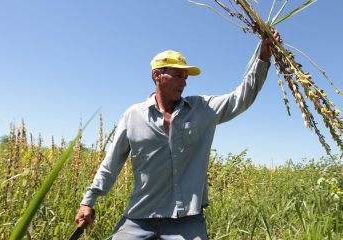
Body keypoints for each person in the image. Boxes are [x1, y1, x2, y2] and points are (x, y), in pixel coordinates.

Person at [75, 30, 282, 239]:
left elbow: (242, 97)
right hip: (140, 217)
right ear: (157, 75)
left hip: (187, 221)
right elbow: (111, 164)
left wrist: (263, 57)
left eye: (185, 77)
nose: (184, 82)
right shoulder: (133, 115)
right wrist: (88, 201)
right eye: (177, 75)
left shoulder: (202, 109)